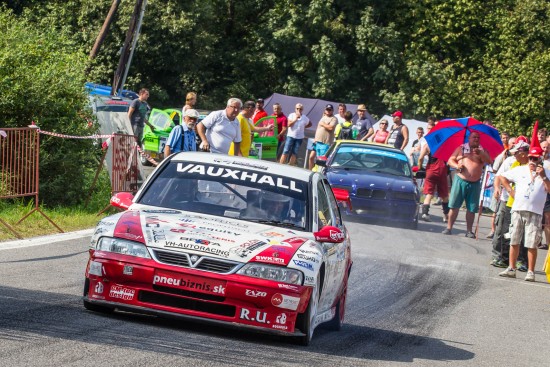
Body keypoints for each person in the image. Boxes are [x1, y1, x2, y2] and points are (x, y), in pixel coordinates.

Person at [498, 146, 550, 282]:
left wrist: (544, 176)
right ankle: (511, 268)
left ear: (540, 159)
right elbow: (502, 177)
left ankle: (531, 272)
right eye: (531, 158)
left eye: (535, 158)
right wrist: (510, 191)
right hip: (518, 209)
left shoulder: (547, 172)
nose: (532, 161)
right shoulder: (520, 170)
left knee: (532, 243)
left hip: (535, 212)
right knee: (514, 239)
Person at [443, 132, 493, 237]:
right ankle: (449, 227)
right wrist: (457, 165)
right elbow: (450, 160)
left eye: (478, 137)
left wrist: (481, 153)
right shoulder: (461, 149)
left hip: (475, 183)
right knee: (454, 206)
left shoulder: (482, 150)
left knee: (472, 208)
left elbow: (489, 161)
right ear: (469, 138)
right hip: (460, 180)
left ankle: (469, 231)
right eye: (474, 137)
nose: (476, 139)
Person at [490, 141, 530, 269]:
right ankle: (505, 258)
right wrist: (509, 190)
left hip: (527, 206)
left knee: (523, 233)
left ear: (523, 154)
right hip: (510, 203)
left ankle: (521, 261)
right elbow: (501, 176)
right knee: (507, 232)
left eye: (517, 153)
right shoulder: (513, 163)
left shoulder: (532, 166)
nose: (514, 155)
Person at [417, 141, 449, 222]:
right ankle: (446, 216)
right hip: (442, 170)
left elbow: (420, 158)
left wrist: (420, 167)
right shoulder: (447, 145)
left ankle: (425, 213)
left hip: (431, 169)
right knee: (444, 195)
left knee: (429, 193)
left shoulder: (428, 145)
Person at [308, 104, 338, 169]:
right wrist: (315, 139)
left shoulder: (334, 118)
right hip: (318, 141)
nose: (328, 111)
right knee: (313, 158)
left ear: (332, 110)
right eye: (327, 109)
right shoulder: (323, 117)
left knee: (322, 160)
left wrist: (323, 124)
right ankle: (311, 171)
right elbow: (319, 128)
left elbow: (330, 128)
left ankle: (320, 173)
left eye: (330, 110)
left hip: (325, 143)